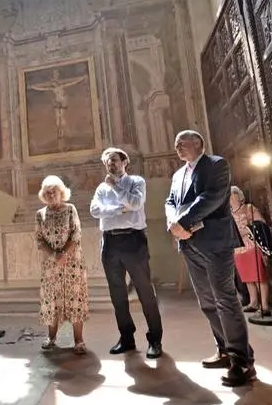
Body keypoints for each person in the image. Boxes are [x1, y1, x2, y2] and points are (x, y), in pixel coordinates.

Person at [165, 130, 256, 387]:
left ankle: (242, 361)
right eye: (176, 144)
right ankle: (225, 349)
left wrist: (182, 221)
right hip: (188, 243)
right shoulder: (177, 174)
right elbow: (170, 201)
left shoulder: (217, 164)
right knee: (206, 301)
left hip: (214, 242)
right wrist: (172, 222)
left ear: (198, 143)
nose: (177, 147)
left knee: (225, 298)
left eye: (182, 143)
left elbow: (212, 197)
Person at [89, 147, 164, 359]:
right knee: (117, 294)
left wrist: (116, 191)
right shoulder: (101, 188)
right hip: (110, 242)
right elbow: (95, 211)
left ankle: (155, 339)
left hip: (133, 239)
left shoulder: (136, 182)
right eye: (106, 162)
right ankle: (126, 338)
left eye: (113, 160)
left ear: (124, 161)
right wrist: (118, 209)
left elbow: (135, 203)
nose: (110, 164)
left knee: (145, 292)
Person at [35, 176, 89, 354]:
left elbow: (76, 233)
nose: (51, 195)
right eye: (47, 193)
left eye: (54, 192)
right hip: (51, 266)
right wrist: (53, 255)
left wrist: (64, 254)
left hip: (72, 263)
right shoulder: (40, 214)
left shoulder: (70, 209)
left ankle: (79, 341)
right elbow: (39, 239)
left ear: (61, 193)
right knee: (51, 301)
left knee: (75, 300)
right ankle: (51, 338)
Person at [230, 186, 270, 314]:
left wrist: (246, 229)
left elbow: (261, 223)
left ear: (238, 196)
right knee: (247, 277)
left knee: (258, 276)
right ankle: (253, 302)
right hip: (238, 248)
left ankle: (264, 306)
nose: (230, 197)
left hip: (251, 246)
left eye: (232, 194)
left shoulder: (249, 208)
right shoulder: (229, 214)